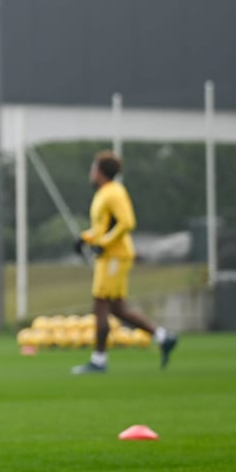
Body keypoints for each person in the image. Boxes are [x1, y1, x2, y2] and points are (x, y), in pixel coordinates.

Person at [71, 151, 178, 374]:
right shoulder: (104, 193)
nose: (91, 173)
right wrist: (85, 237)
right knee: (118, 309)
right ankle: (163, 337)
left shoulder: (115, 193)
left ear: (100, 172)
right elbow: (104, 226)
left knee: (100, 305)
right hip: (110, 255)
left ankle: (98, 360)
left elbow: (127, 223)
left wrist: (105, 243)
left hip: (114, 257)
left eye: (93, 168)